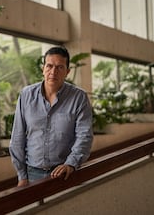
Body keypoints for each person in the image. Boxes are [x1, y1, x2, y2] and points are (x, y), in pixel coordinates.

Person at [9, 46, 93, 187]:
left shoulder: (79, 97)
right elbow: (17, 137)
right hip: (32, 174)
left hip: (64, 174)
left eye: (60, 67)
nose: (53, 72)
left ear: (67, 72)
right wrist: (22, 175)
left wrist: (70, 164)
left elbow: (84, 136)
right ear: (43, 68)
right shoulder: (26, 95)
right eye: (49, 66)